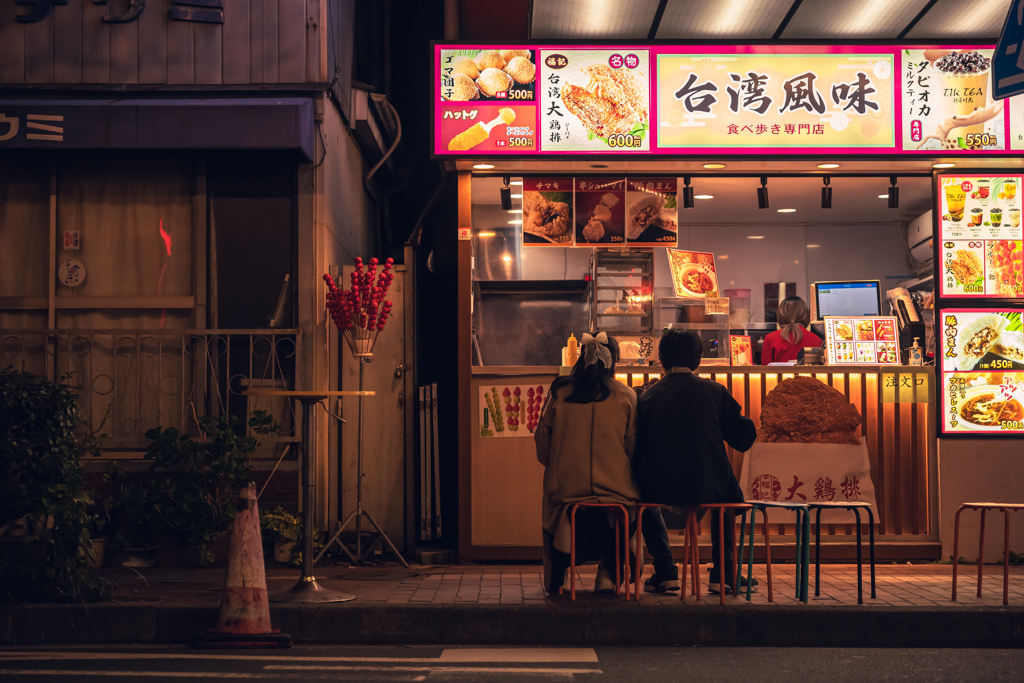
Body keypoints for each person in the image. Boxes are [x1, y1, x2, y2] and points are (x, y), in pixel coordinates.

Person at [633, 330, 758, 595]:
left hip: (657, 488)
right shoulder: (714, 392)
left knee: (640, 494)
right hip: (706, 486)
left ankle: (665, 570)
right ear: (698, 359)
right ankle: (724, 573)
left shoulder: (648, 396)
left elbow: (636, 446)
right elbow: (744, 439)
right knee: (724, 493)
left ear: (662, 359)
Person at [535, 331, 640, 595]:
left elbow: (542, 447)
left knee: (555, 506)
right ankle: (608, 574)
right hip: (615, 490)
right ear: (612, 362)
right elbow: (631, 449)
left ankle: (557, 577)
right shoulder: (626, 396)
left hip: (566, 490)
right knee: (631, 510)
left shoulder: (559, 392)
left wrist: (559, 464)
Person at [760, 296, 822, 364]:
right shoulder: (817, 340)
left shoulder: (770, 339)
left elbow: (765, 371)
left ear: (780, 315)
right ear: (806, 316)